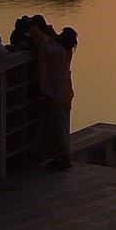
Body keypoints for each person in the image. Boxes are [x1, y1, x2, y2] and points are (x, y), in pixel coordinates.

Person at [29, 17, 74, 171]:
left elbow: (43, 42)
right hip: (63, 95)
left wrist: (34, 25)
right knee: (53, 127)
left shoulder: (56, 51)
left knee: (58, 130)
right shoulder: (66, 51)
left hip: (57, 97)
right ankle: (42, 153)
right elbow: (55, 39)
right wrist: (48, 28)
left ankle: (65, 158)